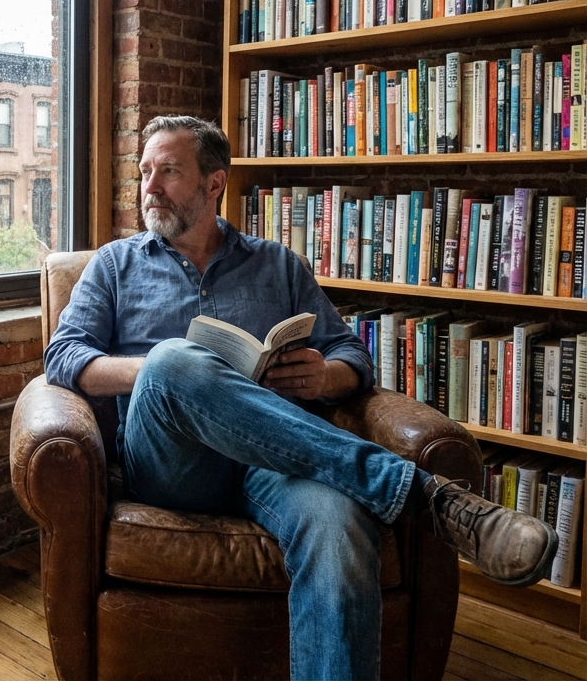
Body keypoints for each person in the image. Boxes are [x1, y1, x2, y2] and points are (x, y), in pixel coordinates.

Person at [43, 114, 558, 681]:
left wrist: (324, 376)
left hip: (274, 462)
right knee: (171, 361)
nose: (150, 187)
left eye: (168, 171)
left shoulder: (278, 264)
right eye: (145, 171)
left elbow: (352, 355)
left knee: (339, 525)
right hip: (172, 465)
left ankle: (411, 497)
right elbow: (63, 357)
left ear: (214, 183)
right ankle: (423, 495)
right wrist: (162, 375)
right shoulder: (114, 265)